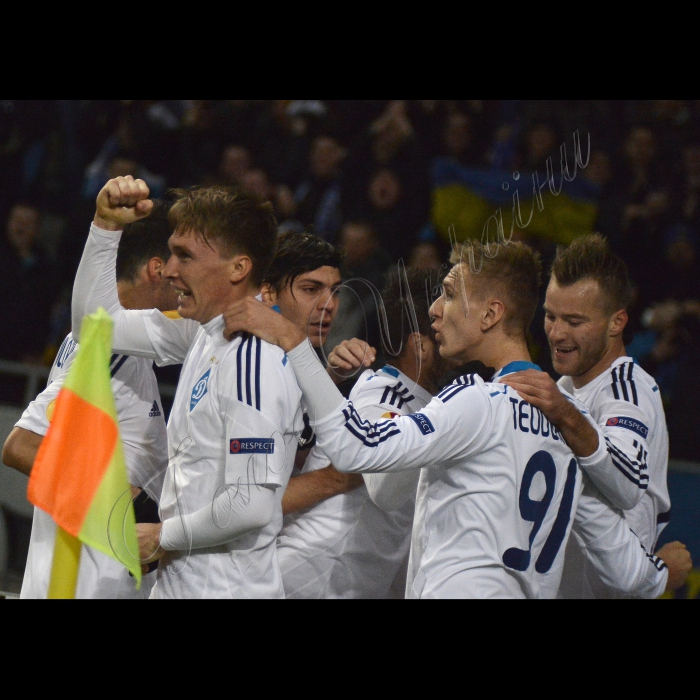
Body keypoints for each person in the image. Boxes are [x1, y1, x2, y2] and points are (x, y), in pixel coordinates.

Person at [225, 239, 677, 598]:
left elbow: (354, 448)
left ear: (491, 314)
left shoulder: (479, 401)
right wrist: (660, 576)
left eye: (449, 294)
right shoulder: (566, 423)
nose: (435, 309)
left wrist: (294, 345)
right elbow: (622, 564)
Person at [71, 176, 303, 599]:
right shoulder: (201, 333)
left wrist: (162, 536)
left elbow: (251, 503)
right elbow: (92, 326)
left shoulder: (252, 359)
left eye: (185, 256)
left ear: (239, 268)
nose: (170, 270)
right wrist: (106, 227)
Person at [2, 201, 177, 598]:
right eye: (180, 260)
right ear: (157, 269)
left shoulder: (111, 343)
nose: (184, 280)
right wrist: (132, 509)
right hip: (85, 582)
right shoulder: (108, 349)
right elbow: (22, 446)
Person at [500, 234, 688, 598]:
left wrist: (566, 415)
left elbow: (627, 484)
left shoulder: (628, 389)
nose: (556, 333)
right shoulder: (563, 388)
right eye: (550, 316)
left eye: (574, 321)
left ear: (616, 323)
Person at [278, 265, 444, 598]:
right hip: (311, 579)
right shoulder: (384, 397)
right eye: (443, 326)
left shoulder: (427, 405)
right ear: (421, 346)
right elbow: (377, 487)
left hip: (347, 583)